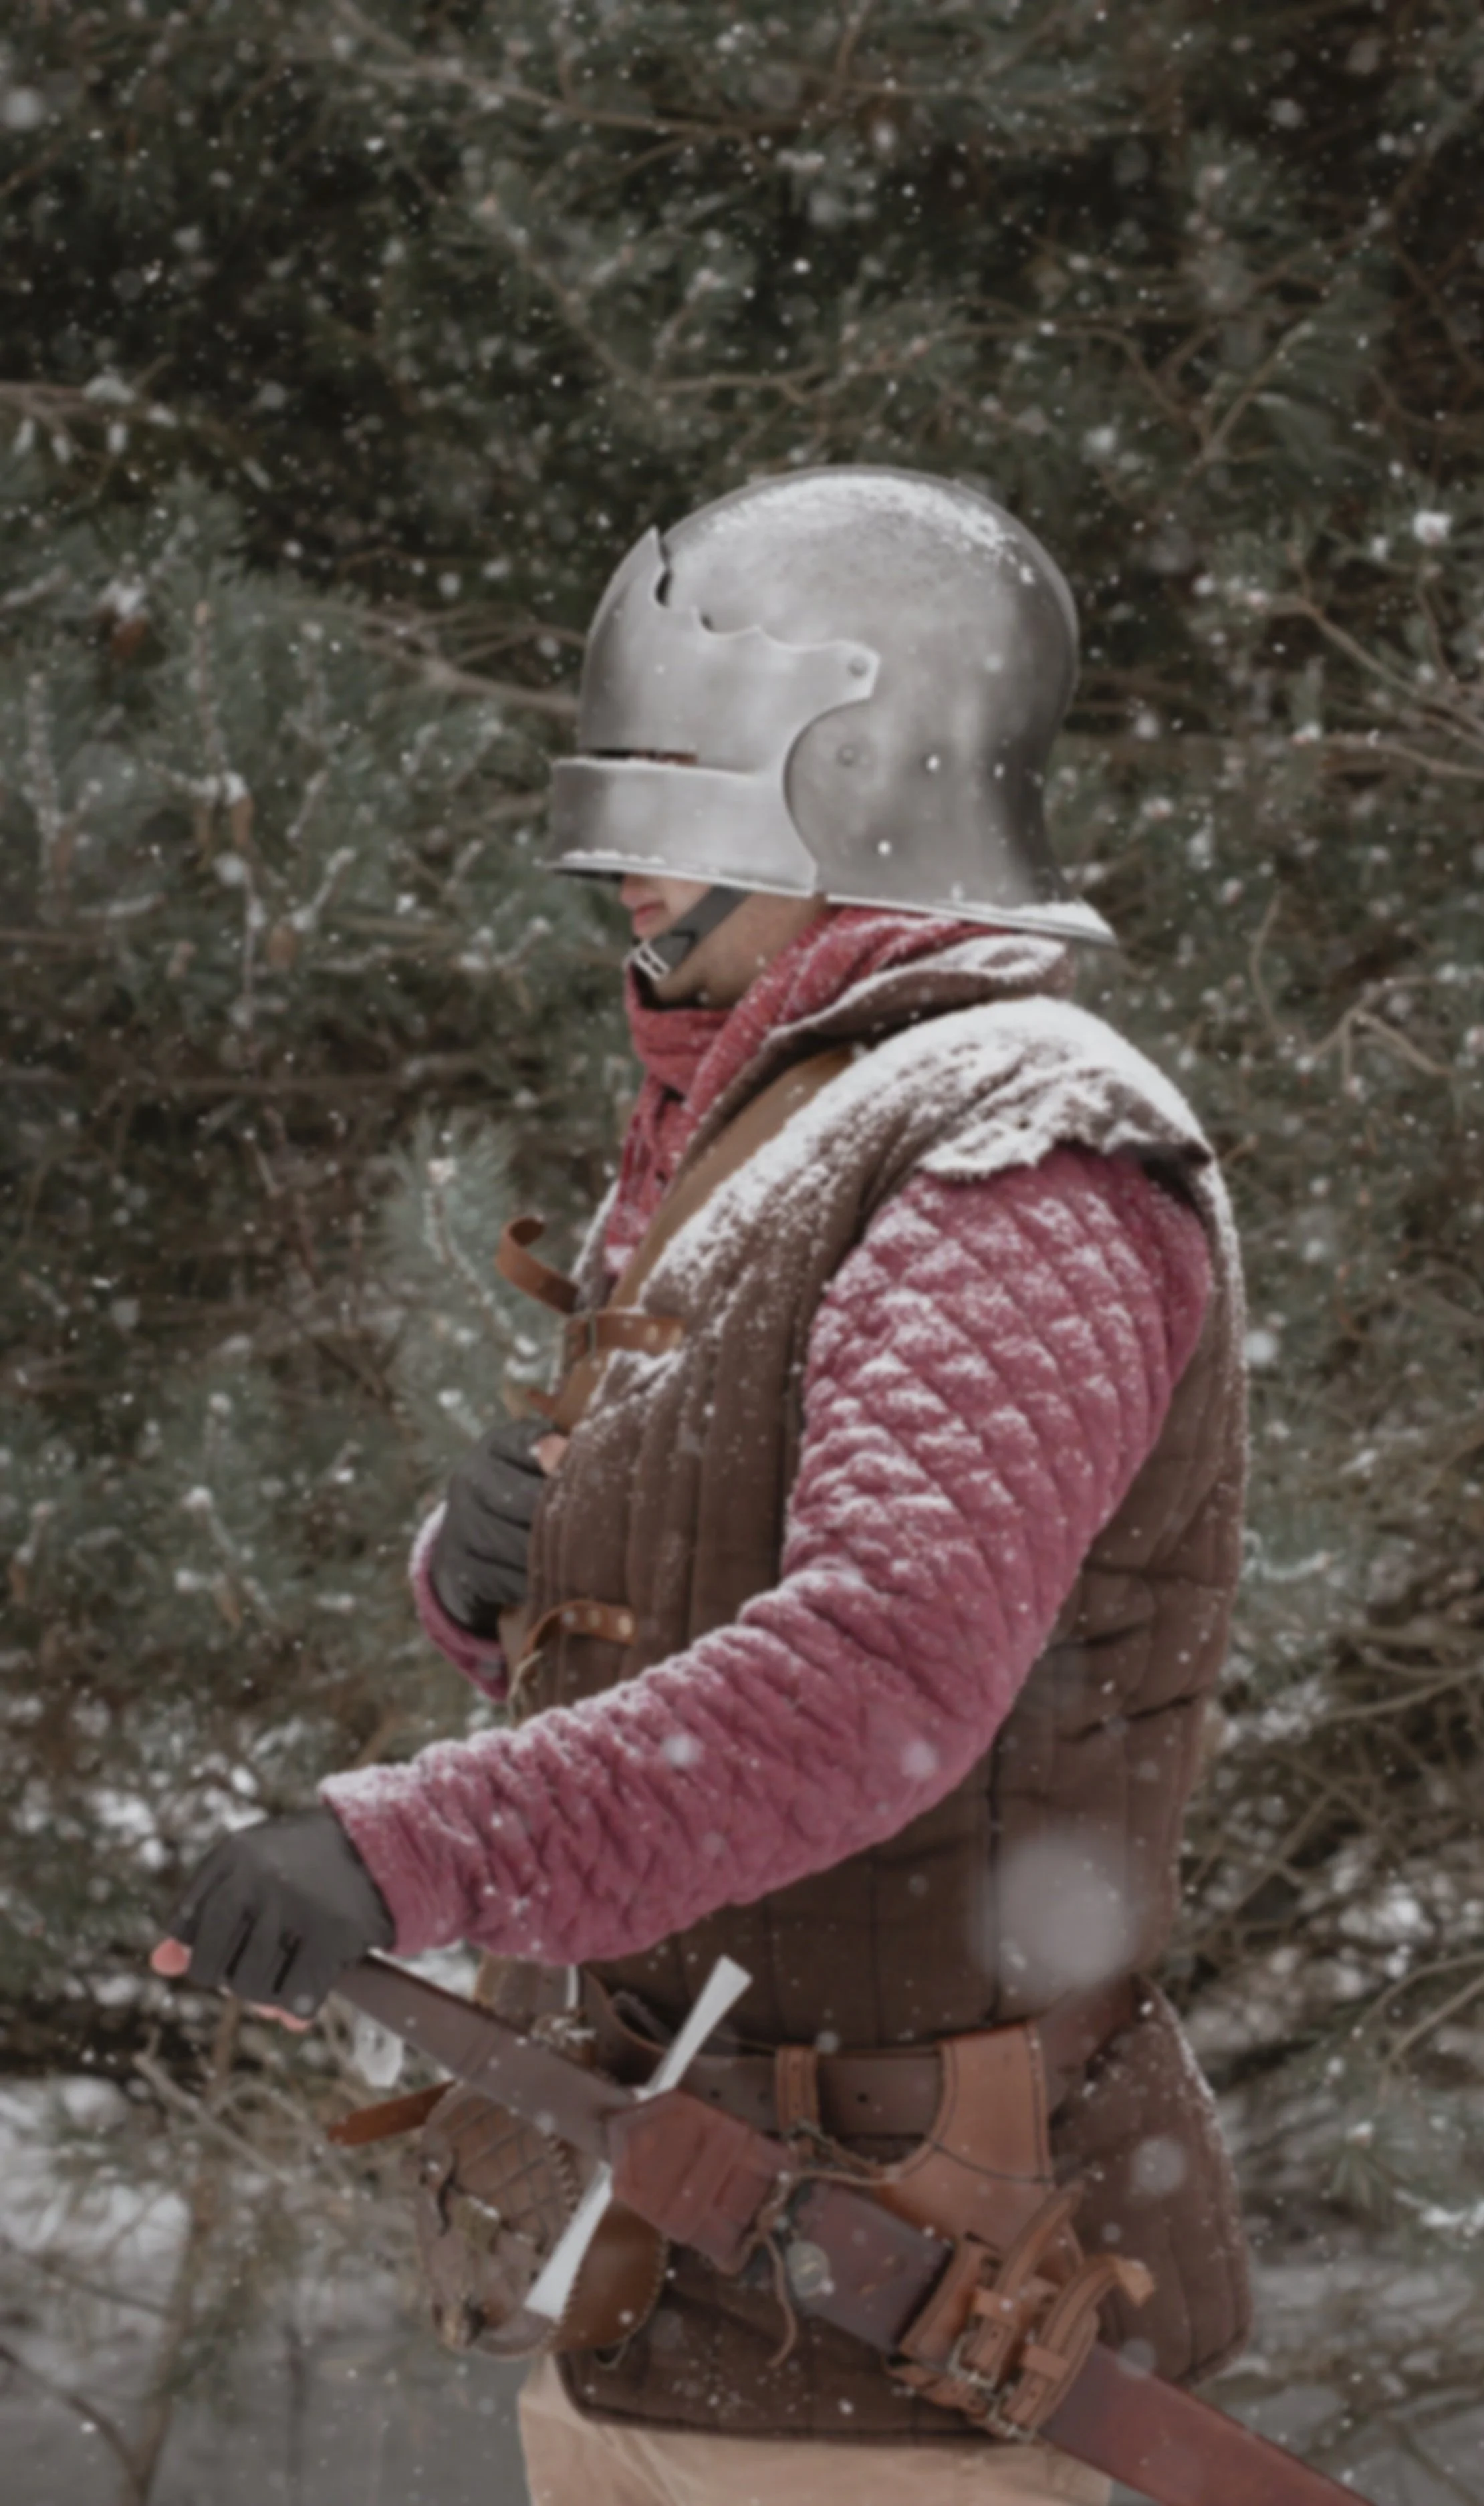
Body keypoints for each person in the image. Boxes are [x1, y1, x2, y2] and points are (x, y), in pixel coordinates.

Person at [154, 467, 1251, 2506]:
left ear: (855, 776)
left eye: (681, 813)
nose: (629, 885)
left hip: (916, 2305)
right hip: (684, 2273)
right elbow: (697, 1577)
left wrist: (408, 1846)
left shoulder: (1017, 1144)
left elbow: (878, 1681)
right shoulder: (775, 1108)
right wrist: (486, 1563)